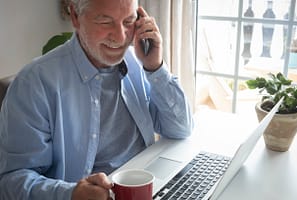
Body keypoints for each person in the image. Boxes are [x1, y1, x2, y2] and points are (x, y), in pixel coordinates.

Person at [0, 0, 193, 199]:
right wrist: (71, 194)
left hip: (145, 188)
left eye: (128, 21)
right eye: (105, 22)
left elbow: (180, 129)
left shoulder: (137, 60)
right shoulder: (34, 84)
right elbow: (11, 182)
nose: (120, 37)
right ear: (75, 16)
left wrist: (155, 68)